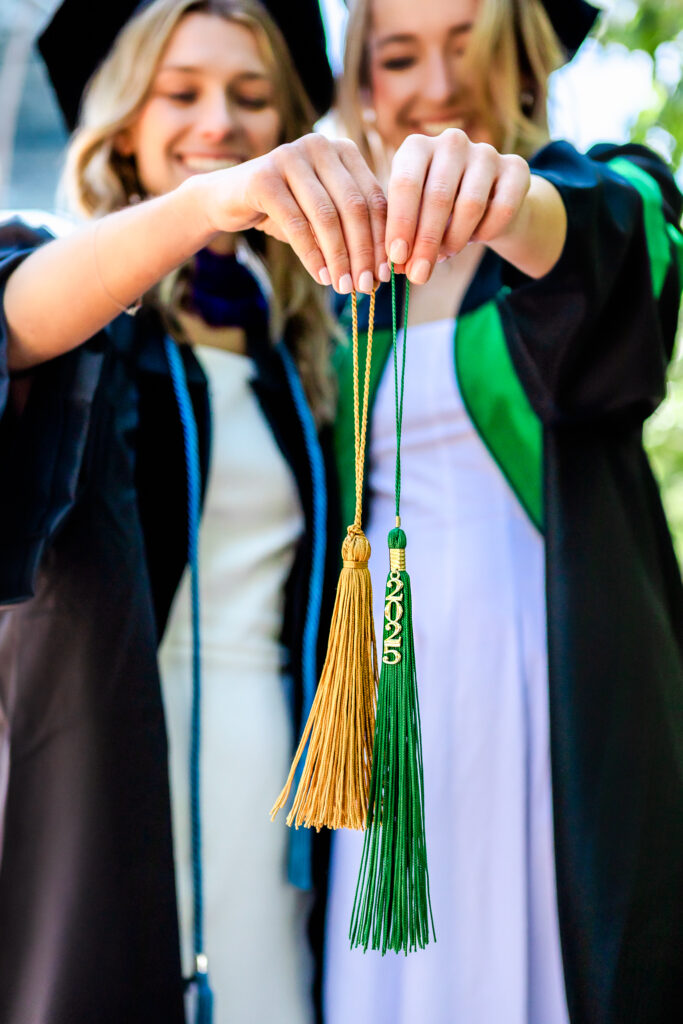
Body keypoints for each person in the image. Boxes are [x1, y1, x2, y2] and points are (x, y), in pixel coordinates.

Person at [0, 0, 390, 1021]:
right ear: (124, 123)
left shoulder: (298, 348)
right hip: (98, 746)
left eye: (251, 98)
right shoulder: (68, 283)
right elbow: (13, 321)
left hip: (276, 770)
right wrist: (202, 207)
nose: (218, 119)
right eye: (181, 93)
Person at [322, 1, 683, 1023]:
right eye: (399, 56)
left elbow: (609, 256)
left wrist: (509, 207)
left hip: (547, 674)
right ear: (361, 79)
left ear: (523, 52)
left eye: (468, 44)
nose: (439, 84)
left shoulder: (601, 192)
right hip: (380, 690)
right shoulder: (336, 271)